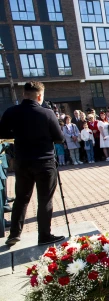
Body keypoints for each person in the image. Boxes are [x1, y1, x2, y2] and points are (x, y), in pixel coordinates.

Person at [0, 82, 65, 246]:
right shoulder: (47, 113)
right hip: (44, 162)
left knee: (21, 198)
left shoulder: (11, 112)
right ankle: (44, 236)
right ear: (39, 96)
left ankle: (14, 234)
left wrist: (17, 138)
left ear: (24, 94)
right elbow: (59, 138)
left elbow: (2, 135)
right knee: (45, 200)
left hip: (22, 162)